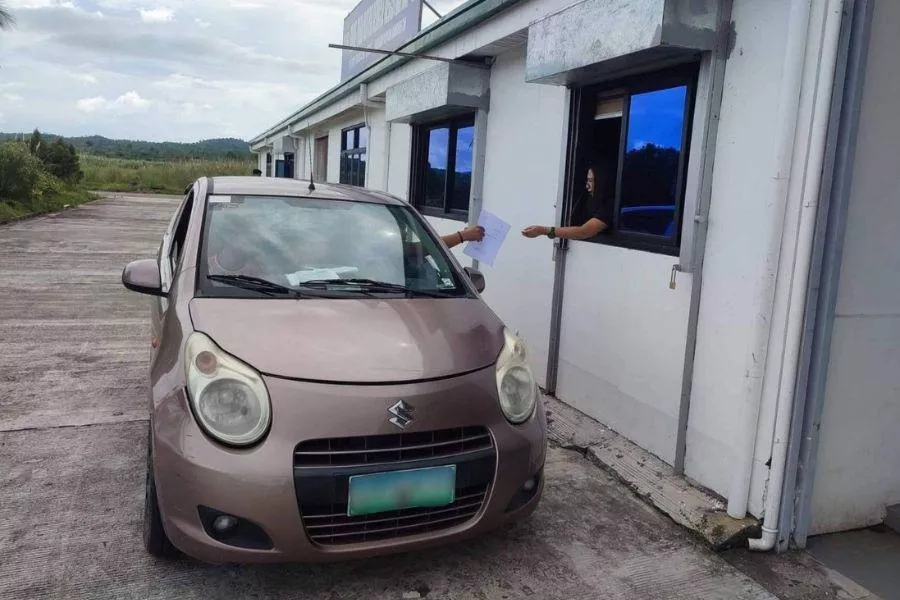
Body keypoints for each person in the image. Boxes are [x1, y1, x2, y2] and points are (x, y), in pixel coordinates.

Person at [522, 163, 613, 241]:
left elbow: (583, 232)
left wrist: (543, 230)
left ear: (601, 182)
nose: (587, 186)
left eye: (590, 180)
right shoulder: (593, 203)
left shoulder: (609, 208)